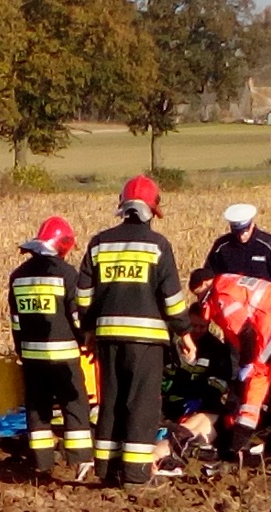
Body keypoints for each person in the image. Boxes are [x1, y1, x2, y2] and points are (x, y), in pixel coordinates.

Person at [76, 175, 191, 488]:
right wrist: (185, 332)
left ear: (122, 207)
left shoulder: (99, 243)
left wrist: (88, 329)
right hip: (147, 342)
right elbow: (172, 299)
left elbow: (83, 296)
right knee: (141, 405)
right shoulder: (158, 245)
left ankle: (107, 469)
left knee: (111, 401)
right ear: (152, 211)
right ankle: (136, 476)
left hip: (107, 339)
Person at [186, 268, 271, 461]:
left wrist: (247, 363)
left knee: (257, 379)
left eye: (199, 293)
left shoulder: (222, 294)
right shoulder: (231, 280)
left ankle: (235, 445)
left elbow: (246, 332)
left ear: (205, 284)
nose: (200, 299)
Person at [8, 216, 93, 475]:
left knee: (37, 409)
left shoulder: (18, 277)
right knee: (75, 405)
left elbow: (16, 321)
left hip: (32, 357)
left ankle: (41, 463)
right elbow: (77, 317)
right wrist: (85, 341)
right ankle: (79, 460)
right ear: (64, 245)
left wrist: (22, 349)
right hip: (64, 355)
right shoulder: (67, 275)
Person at [161, 302, 233, 426]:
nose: (198, 330)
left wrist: (201, 400)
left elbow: (219, 383)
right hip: (168, 404)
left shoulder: (217, 349)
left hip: (201, 405)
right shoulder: (173, 345)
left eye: (202, 327)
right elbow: (163, 376)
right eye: (194, 326)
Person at [204, 203, 271, 286]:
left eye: (245, 231)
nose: (241, 236)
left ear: (252, 224)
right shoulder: (221, 246)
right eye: (237, 232)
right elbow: (209, 276)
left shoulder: (270, 244)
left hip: (262, 298)